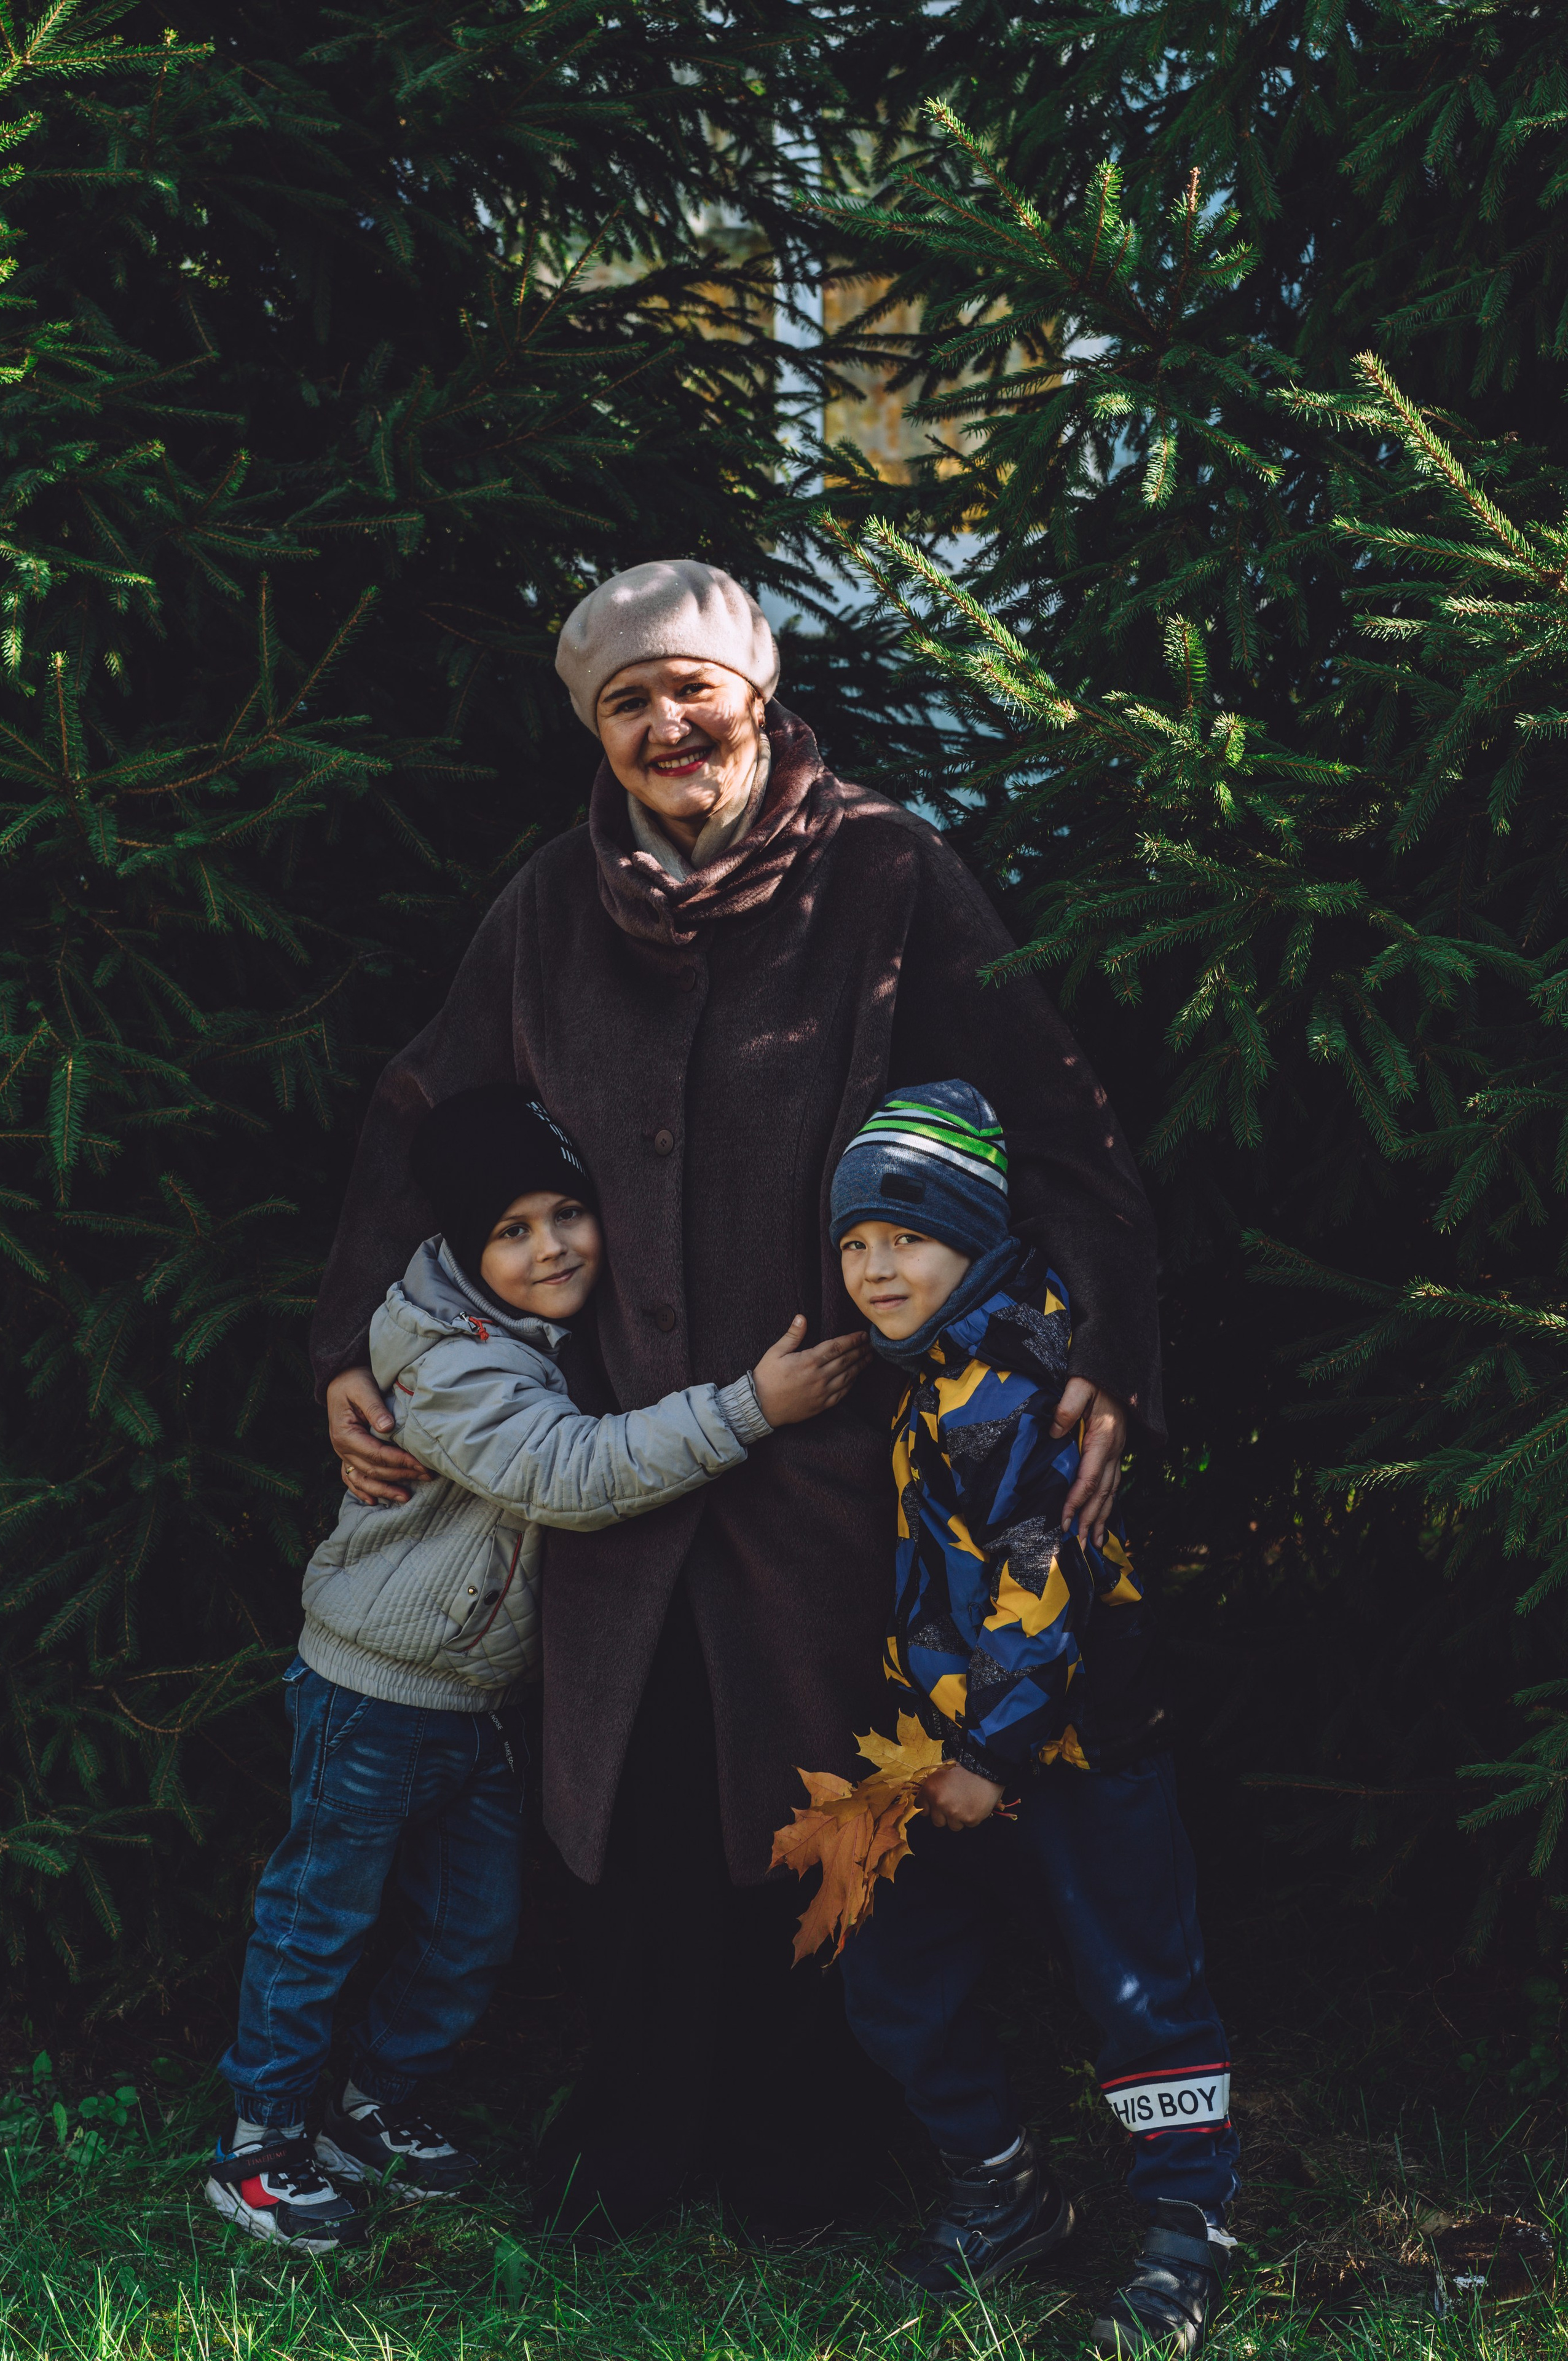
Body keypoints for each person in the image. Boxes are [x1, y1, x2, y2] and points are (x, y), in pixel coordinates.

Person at [309, 557, 1167, 2232]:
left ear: (758, 695)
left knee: (823, 1804)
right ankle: (640, 2145)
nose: (665, 722)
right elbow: (426, 1106)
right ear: (598, 734)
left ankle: (826, 2160)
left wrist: (1106, 1363)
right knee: (635, 1804)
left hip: (851, 1464)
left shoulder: (890, 873)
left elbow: (1063, 1134)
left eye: (692, 687)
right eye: (626, 701)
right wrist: (352, 1341)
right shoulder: (554, 903)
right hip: (618, 1450)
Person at [208, 1087, 864, 2252]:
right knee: (322, 1917)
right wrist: (751, 1407)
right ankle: (260, 2142)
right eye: (511, 1230)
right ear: (466, 1248)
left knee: (473, 1930)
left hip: (481, 1702)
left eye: (567, 1211)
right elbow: (570, 1473)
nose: (552, 1247)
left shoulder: (544, 1326)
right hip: (375, 1691)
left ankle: (375, 2111)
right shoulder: (445, 1358)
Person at [830, 1080, 1239, 2352]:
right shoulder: (937, 1367)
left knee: (1135, 1987)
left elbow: (1036, 1582)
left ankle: (1187, 2233)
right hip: (958, 1751)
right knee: (889, 1958)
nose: (875, 1267)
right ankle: (1002, 2187)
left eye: (907, 1237)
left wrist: (987, 1755)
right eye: (853, 1244)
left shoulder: (1015, 1382)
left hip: (1072, 1751)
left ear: (976, 1235)